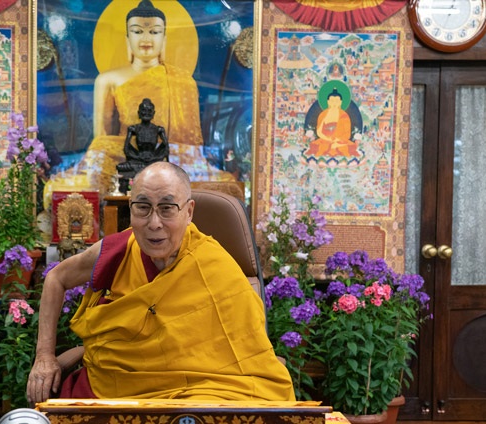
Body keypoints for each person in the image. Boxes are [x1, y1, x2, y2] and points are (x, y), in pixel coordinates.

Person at [27, 162, 294, 404]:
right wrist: (44, 357)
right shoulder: (119, 250)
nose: (154, 223)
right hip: (115, 387)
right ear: (130, 210)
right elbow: (56, 278)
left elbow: (248, 356)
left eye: (167, 209)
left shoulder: (215, 266)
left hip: (198, 392)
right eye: (143, 208)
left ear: (188, 212)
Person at [43, 0, 234, 207]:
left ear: (164, 38)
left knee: (229, 187)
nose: (145, 38)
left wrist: (166, 155)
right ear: (127, 38)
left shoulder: (183, 81)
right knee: (58, 188)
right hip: (124, 162)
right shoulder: (108, 80)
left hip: (173, 161)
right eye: (137, 31)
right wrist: (128, 154)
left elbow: (191, 148)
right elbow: (102, 144)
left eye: (154, 32)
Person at [116, 98, 169, 175]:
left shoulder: (159, 129)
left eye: (149, 111)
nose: (146, 113)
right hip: (138, 159)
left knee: (163, 167)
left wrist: (155, 158)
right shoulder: (133, 129)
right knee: (122, 167)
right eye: (144, 110)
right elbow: (126, 149)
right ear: (139, 113)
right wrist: (137, 157)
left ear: (153, 113)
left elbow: (166, 149)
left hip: (154, 159)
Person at [304, 88, 358, 157]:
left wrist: (337, 140)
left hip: (340, 141)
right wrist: (328, 139)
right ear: (328, 102)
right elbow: (319, 131)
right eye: (332, 101)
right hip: (325, 140)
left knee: (347, 147)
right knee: (317, 146)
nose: (334, 103)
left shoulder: (344, 115)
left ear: (340, 102)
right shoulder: (323, 115)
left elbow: (347, 134)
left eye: (336, 101)